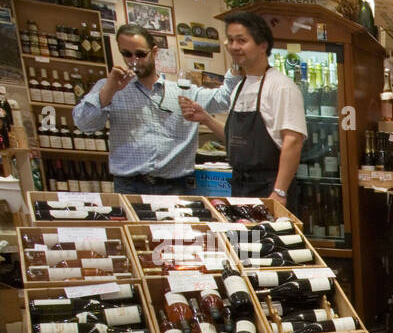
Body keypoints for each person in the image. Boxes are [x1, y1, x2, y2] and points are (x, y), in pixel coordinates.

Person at [73, 24, 238, 195]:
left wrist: (237, 62)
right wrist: (108, 91)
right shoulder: (109, 88)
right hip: (129, 186)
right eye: (126, 54)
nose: (133, 60)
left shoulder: (183, 91)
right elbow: (84, 124)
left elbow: (225, 98)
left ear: (154, 52)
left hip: (176, 187)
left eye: (140, 54)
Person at [181, 12, 305, 207]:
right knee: (245, 237)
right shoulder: (240, 87)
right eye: (230, 40)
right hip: (240, 186)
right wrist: (206, 119)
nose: (234, 47)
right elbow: (235, 140)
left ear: (263, 45)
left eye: (242, 40)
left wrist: (279, 191)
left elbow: (293, 141)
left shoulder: (281, 86)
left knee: (270, 238)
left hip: (270, 187)